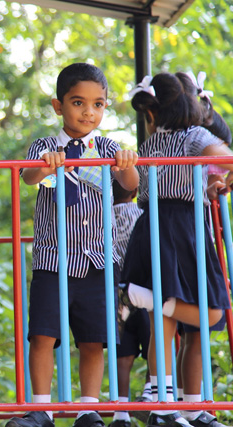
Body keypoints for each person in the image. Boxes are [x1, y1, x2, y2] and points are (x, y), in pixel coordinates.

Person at [5, 63, 139, 427]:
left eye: (98, 104)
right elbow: (28, 176)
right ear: (58, 105)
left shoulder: (107, 147)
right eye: (78, 102)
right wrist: (47, 166)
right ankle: (41, 409)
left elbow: (130, 183)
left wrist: (127, 163)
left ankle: (88, 409)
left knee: (93, 339)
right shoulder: (46, 146)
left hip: (98, 260)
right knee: (43, 335)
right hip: (55, 261)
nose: (88, 112)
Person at [122, 71, 233, 427]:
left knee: (165, 326)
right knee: (210, 316)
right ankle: (187, 406)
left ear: (153, 111)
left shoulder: (150, 143)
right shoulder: (195, 137)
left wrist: (210, 185)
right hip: (184, 229)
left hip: (153, 226)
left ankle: (171, 407)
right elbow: (226, 156)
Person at [173, 108, 233, 427]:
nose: (219, 173)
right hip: (190, 248)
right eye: (216, 165)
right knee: (201, 322)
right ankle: (180, 404)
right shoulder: (187, 171)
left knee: (196, 333)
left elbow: (211, 186)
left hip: (200, 247)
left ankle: (190, 406)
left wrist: (215, 188)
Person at [109, 180, 151, 427]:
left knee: (123, 356)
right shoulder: (142, 215)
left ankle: (120, 413)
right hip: (142, 292)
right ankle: (150, 392)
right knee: (155, 343)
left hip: (116, 294)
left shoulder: (102, 217)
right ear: (135, 191)